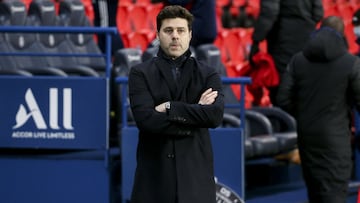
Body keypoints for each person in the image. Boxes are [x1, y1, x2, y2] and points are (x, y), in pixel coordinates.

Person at [128, 5, 224, 203]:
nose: (175, 36)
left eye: (181, 31)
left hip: (195, 182)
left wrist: (170, 107)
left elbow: (214, 116)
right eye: (168, 30)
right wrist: (196, 114)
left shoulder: (208, 73)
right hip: (154, 183)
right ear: (158, 35)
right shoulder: (140, 73)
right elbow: (146, 120)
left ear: (190, 35)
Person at [276, 16, 360, 203]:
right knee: (335, 192)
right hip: (336, 138)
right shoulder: (351, 63)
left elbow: (282, 98)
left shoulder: (298, 60)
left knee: (315, 191)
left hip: (307, 136)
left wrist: (304, 113)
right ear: (342, 34)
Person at [249, 0, 324, 106]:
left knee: (283, 88)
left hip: (282, 40)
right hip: (306, 36)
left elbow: (270, 11)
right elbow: (318, 13)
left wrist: (256, 40)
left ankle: (284, 120)